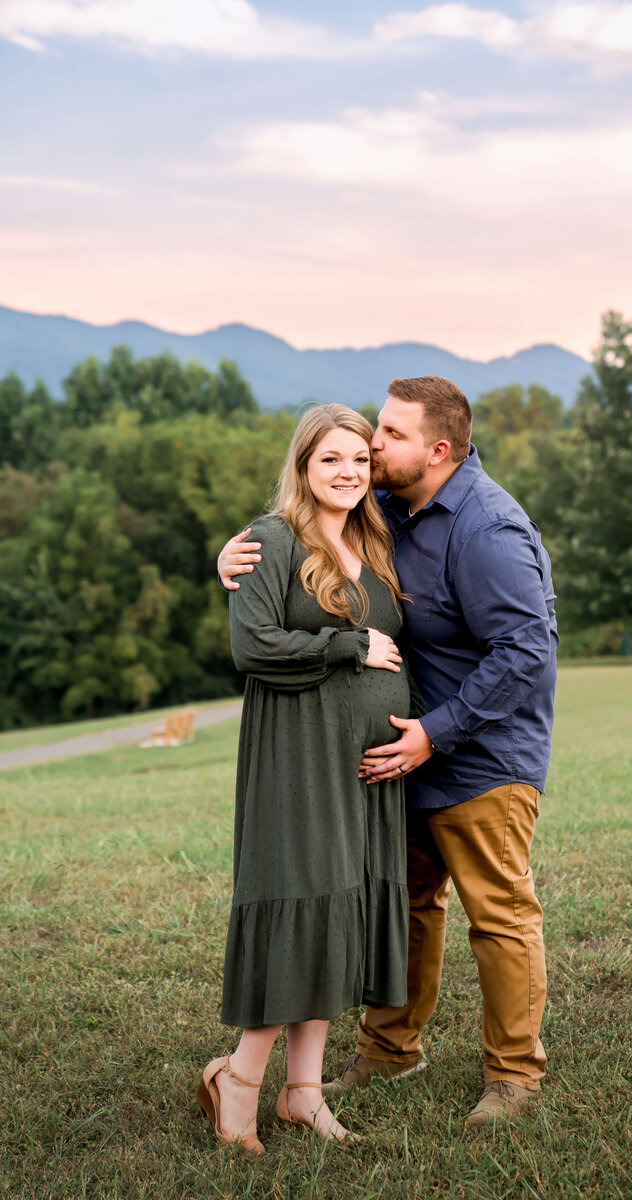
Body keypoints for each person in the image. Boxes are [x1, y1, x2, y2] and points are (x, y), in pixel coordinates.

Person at [218, 376, 558, 1129]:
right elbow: (310, 542)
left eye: (390, 435)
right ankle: (389, 1048)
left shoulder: (486, 527)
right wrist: (234, 562)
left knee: (498, 913)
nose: (373, 447)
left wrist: (436, 732)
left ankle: (513, 1077)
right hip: (398, 756)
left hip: (480, 753)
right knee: (402, 902)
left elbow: (528, 649)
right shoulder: (393, 511)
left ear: (438, 450)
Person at [199, 403, 411, 1154]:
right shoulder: (272, 539)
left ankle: (303, 1095)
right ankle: (239, 1085)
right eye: (331, 460)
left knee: (336, 913)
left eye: (360, 458)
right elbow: (253, 645)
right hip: (297, 758)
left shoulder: (371, 536)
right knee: (298, 908)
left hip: (366, 771)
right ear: (303, 465)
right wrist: (347, 648)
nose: (349, 471)